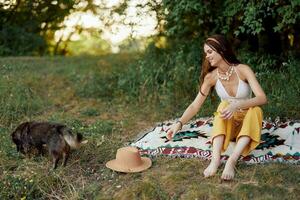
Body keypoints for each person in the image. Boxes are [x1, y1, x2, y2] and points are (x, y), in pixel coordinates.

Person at [166, 35, 267, 180]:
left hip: (248, 126)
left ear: (222, 49)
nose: (207, 56)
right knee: (223, 104)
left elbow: (262, 98)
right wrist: (179, 123)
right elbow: (195, 105)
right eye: (205, 53)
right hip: (229, 126)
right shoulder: (211, 77)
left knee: (256, 110)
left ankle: (232, 161)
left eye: (210, 52)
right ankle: (215, 160)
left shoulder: (243, 70)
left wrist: (237, 105)